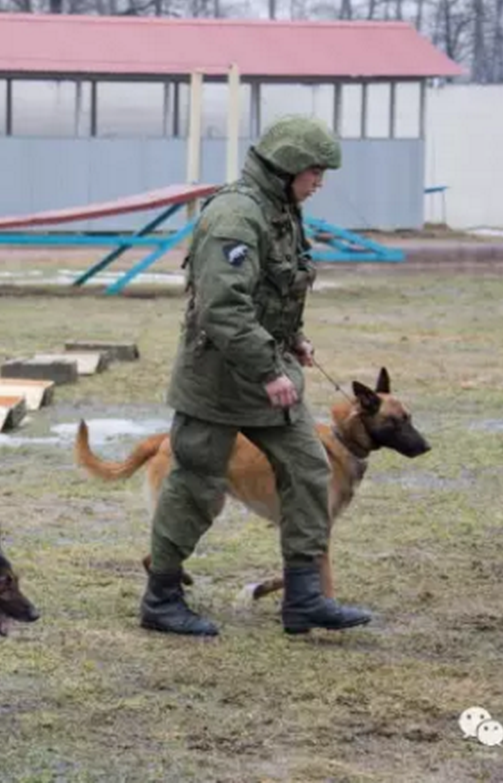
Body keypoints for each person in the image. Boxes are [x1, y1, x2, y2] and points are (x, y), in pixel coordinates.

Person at [141, 115, 372, 638]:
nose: (320, 182)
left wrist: (292, 338)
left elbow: (274, 291)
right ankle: (161, 597)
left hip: (268, 377)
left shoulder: (281, 212)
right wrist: (270, 367)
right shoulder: (235, 216)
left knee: (310, 470)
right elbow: (223, 307)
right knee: (197, 485)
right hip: (220, 382)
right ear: (288, 165)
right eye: (314, 171)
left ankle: (305, 597)